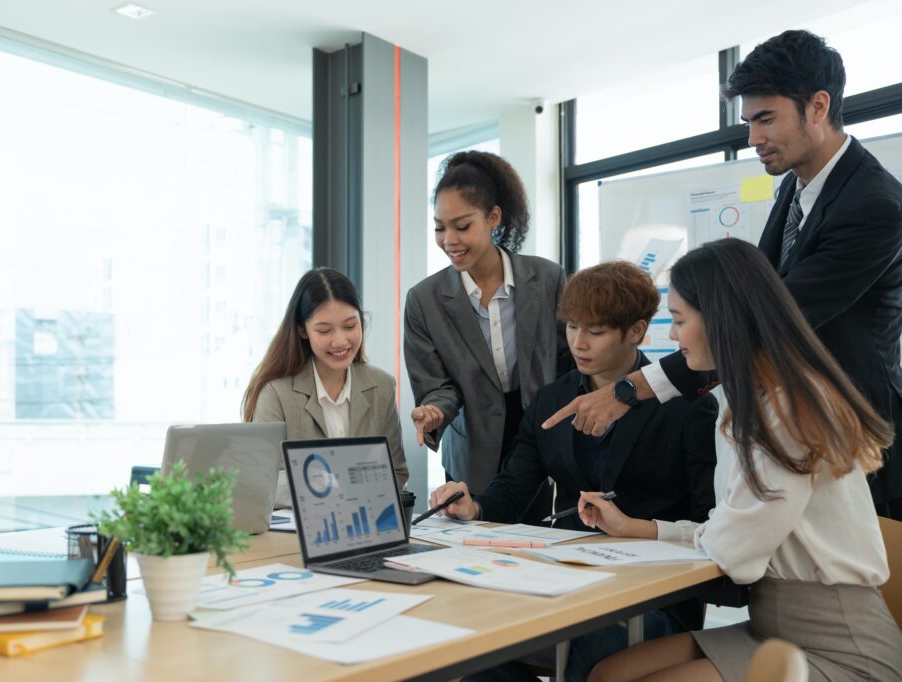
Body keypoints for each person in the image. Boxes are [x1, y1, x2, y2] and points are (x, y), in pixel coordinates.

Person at [545, 30, 902, 519]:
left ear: (818, 107)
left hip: (856, 442)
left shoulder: (873, 205)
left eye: (765, 119)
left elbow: (766, 319)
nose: (753, 138)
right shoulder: (794, 192)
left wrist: (632, 389)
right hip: (793, 431)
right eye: (748, 122)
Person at [580, 239, 902, 682]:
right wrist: (643, 529)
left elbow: (737, 553)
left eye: (678, 321)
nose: (672, 337)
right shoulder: (741, 401)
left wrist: (685, 535)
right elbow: (733, 530)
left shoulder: (784, 410)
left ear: (720, 320)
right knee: (607, 675)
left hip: (840, 646)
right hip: (772, 629)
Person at [427, 261, 717, 682]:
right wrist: (473, 506)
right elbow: (511, 490)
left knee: (592, 646)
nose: (578, 343)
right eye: (571, 327)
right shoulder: (552, 400)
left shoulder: (685, 405)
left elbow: (708, 523)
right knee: (478, 643)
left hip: (653, 596)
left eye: (595, 331)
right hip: (566, 584)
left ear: (636, 331)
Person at [405, 150, 569, 523]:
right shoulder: (424, 300)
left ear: (493, 217)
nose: (449, 240)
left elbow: (566, 363)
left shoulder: (548, 279)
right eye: (439, 227)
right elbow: (437, 385)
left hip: (539, 440)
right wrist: (433, 411)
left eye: (462, 226)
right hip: (471, 447)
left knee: (533, 549)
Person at [242, 268, 408, 507]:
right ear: (302, 330)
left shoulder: (381, 386)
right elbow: (264, 481)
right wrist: (336, 485)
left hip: (365, 525)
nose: (340, 341)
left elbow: (397, 473)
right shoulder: (276, 392)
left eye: (350, 326)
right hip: (298, 535)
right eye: (324, 330)